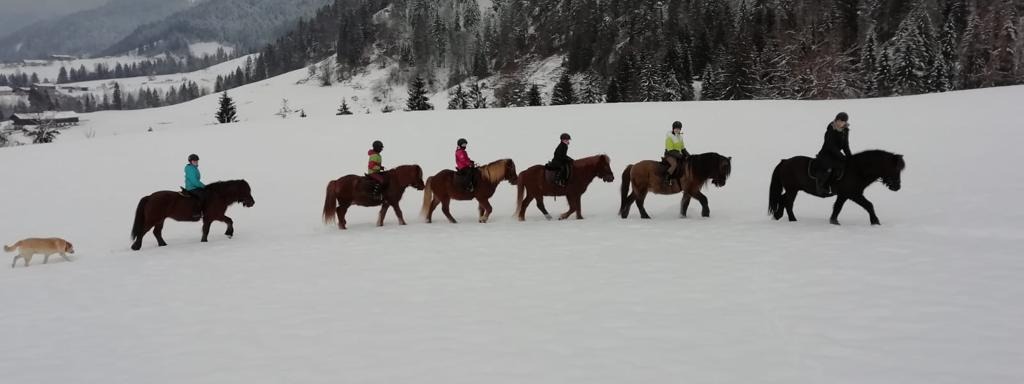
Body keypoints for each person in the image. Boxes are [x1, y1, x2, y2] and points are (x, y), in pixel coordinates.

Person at [813, 112, 853, 195]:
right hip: (826, 153)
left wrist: (850, 157)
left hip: (836, 154)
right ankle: (821, 186)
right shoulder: (831, 129)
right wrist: (841, 156)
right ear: (836, 120)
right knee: (829, 167)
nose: (840, 123)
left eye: (843, 121)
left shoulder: (845, 130)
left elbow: (846, 146)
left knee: (845, 166)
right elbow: (830, 145)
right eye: (839, 120)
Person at [663, 121, 689, 186]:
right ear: (673, 129)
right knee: (674, 164)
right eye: (676, 129)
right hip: (669, 155)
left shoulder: (680, 137)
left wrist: (689, 156)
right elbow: (670, 150)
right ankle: (666, 178)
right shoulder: (669, 137)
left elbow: (683, 149)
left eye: (678, 129)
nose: (677, 130)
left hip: (677, 155)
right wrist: (681, 156)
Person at [183, 154, 206, 219]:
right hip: (191, 188)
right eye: (194, 161)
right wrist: (203, 186)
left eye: (196, 161)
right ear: (190, 161)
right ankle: (196, 213)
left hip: (195, 187)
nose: (196, 162)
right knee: (203, 195)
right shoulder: (190, 169)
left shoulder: (194, 168)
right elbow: (194, 181)